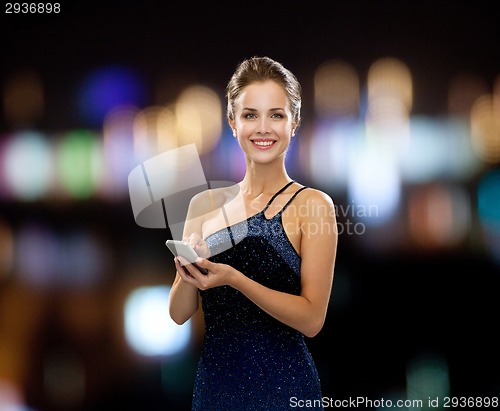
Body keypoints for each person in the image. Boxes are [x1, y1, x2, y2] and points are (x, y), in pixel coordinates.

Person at [168, 56, 337, 410]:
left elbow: (312, 319)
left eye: (276, 114)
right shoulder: (204, 204)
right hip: (215, 389)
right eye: (250, 115)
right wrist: (188, 272)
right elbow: (179, 313)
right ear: (233, 123)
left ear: (295, 123)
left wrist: (234, 279)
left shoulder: (312, 204)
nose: (263, 127)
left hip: (284, 389)